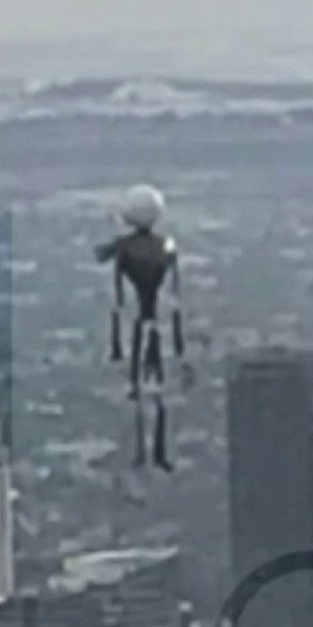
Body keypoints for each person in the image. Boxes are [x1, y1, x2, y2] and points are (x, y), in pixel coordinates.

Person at [94, 184, 185, 469]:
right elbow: (174, 290)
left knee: (139, 383)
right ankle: (156, 451)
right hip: (154, 321)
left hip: (139, 321)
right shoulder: (165, 246)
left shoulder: (125, 248)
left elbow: (113, 280)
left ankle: (143, 451)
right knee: (156, 386)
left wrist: (116, 340)